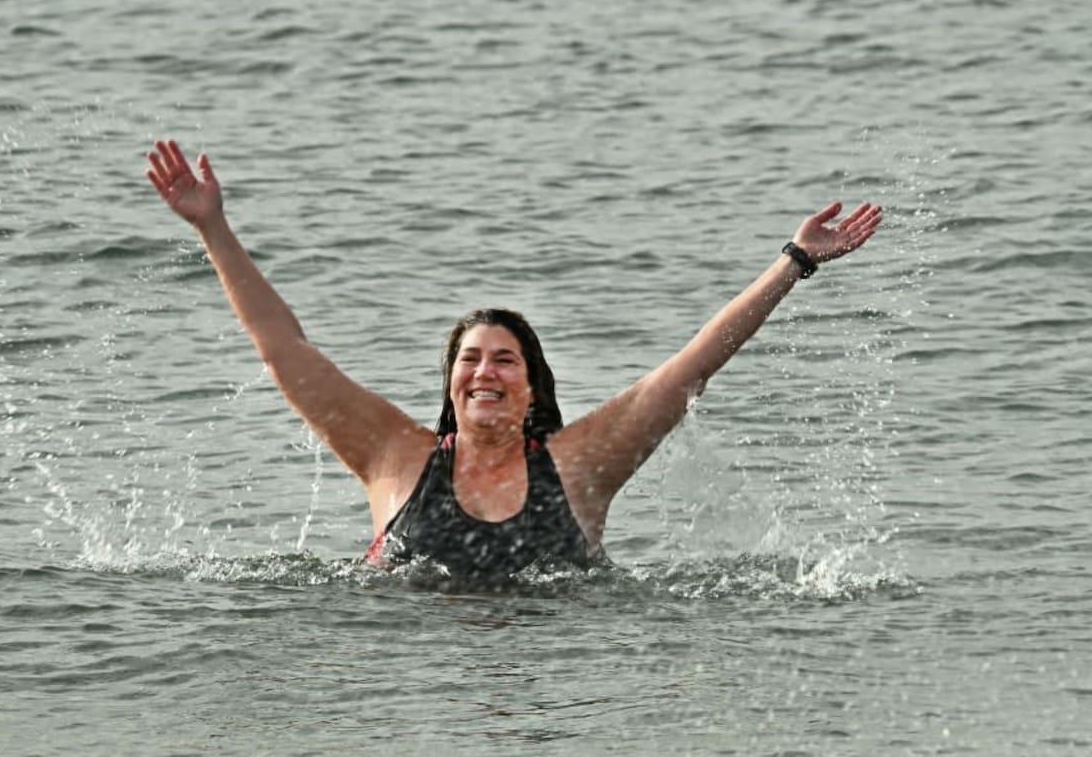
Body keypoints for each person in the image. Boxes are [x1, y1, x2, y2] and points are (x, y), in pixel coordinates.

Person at [146, 139, 881, 579]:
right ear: (451, 384)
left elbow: (689, 368)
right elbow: (285, 350)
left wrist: (794, 262)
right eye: (470, 360)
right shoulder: (393, 458)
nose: (484, 372)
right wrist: (213, 228)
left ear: (532, 389)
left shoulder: (580, 465)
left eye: (504, 360)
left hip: (555, 684)